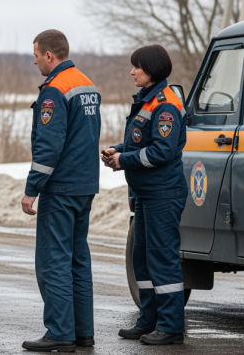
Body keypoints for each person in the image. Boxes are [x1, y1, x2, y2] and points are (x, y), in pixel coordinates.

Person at [20, 30, 101, 353]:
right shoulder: (86, 84)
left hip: (62, 187)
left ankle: (59, 333)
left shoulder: (54, 90)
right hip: (85, 186)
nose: (35, 60)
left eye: (37, 55)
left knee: (53, 262)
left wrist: (31, 189)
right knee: (78, 260)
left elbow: (49, 146)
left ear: (50, 56)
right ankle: (83, 332)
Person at [101, 44, 187, 345]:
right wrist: (119, 149)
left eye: (136, 66)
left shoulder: (165, 105)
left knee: (162, 259)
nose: (131, 71)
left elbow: (162, 151)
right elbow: (141, 142)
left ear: (150, 68)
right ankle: (149, 320)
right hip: (147, 194)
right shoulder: (148, 101)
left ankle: (171, 326)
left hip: (164, 193)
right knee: (142, 258)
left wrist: (123, 160)